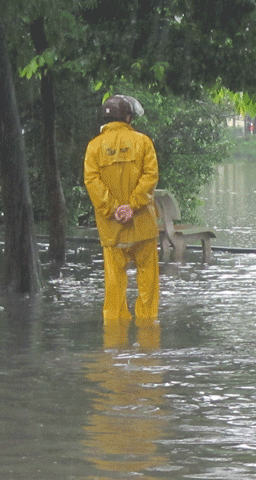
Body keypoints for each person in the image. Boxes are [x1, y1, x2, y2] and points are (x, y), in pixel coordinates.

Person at [84, 94, 160, 323]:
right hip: (142, 225)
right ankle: (148, 340)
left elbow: (92, 181)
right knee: (148, 287)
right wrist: (133, 206)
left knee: (114, 288)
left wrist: (114, 210)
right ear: (128, 117)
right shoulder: (143, 142)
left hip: (111, 228)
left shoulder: (94, 147)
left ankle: (113, 344)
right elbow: (151, 176)